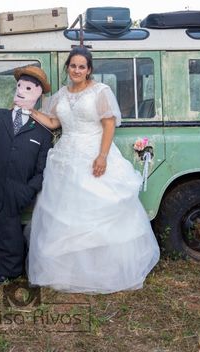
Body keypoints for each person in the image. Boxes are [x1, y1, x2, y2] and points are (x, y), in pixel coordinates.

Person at [27, 47, 160, 294]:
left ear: (89, 70)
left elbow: (109, 124)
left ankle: (104, 271)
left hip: (93, 156)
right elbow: (55, 122)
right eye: (73, 65)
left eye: (82, 66)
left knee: (96, 213)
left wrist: (102, 156)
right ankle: (69, 272)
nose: (77, 70)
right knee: (67, 214)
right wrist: (30, 111)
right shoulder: (60, 96)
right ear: (67, 67)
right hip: (66, 158)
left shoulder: (100, 92)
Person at [0, 65, 54, 284]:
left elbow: (42, 168)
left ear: (38, 94)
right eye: (19, 86)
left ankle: (8, 271)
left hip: (18, 189)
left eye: (28, 88)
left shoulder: (42, 132)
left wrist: (27, 190)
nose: (21, 91)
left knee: (10, 230)